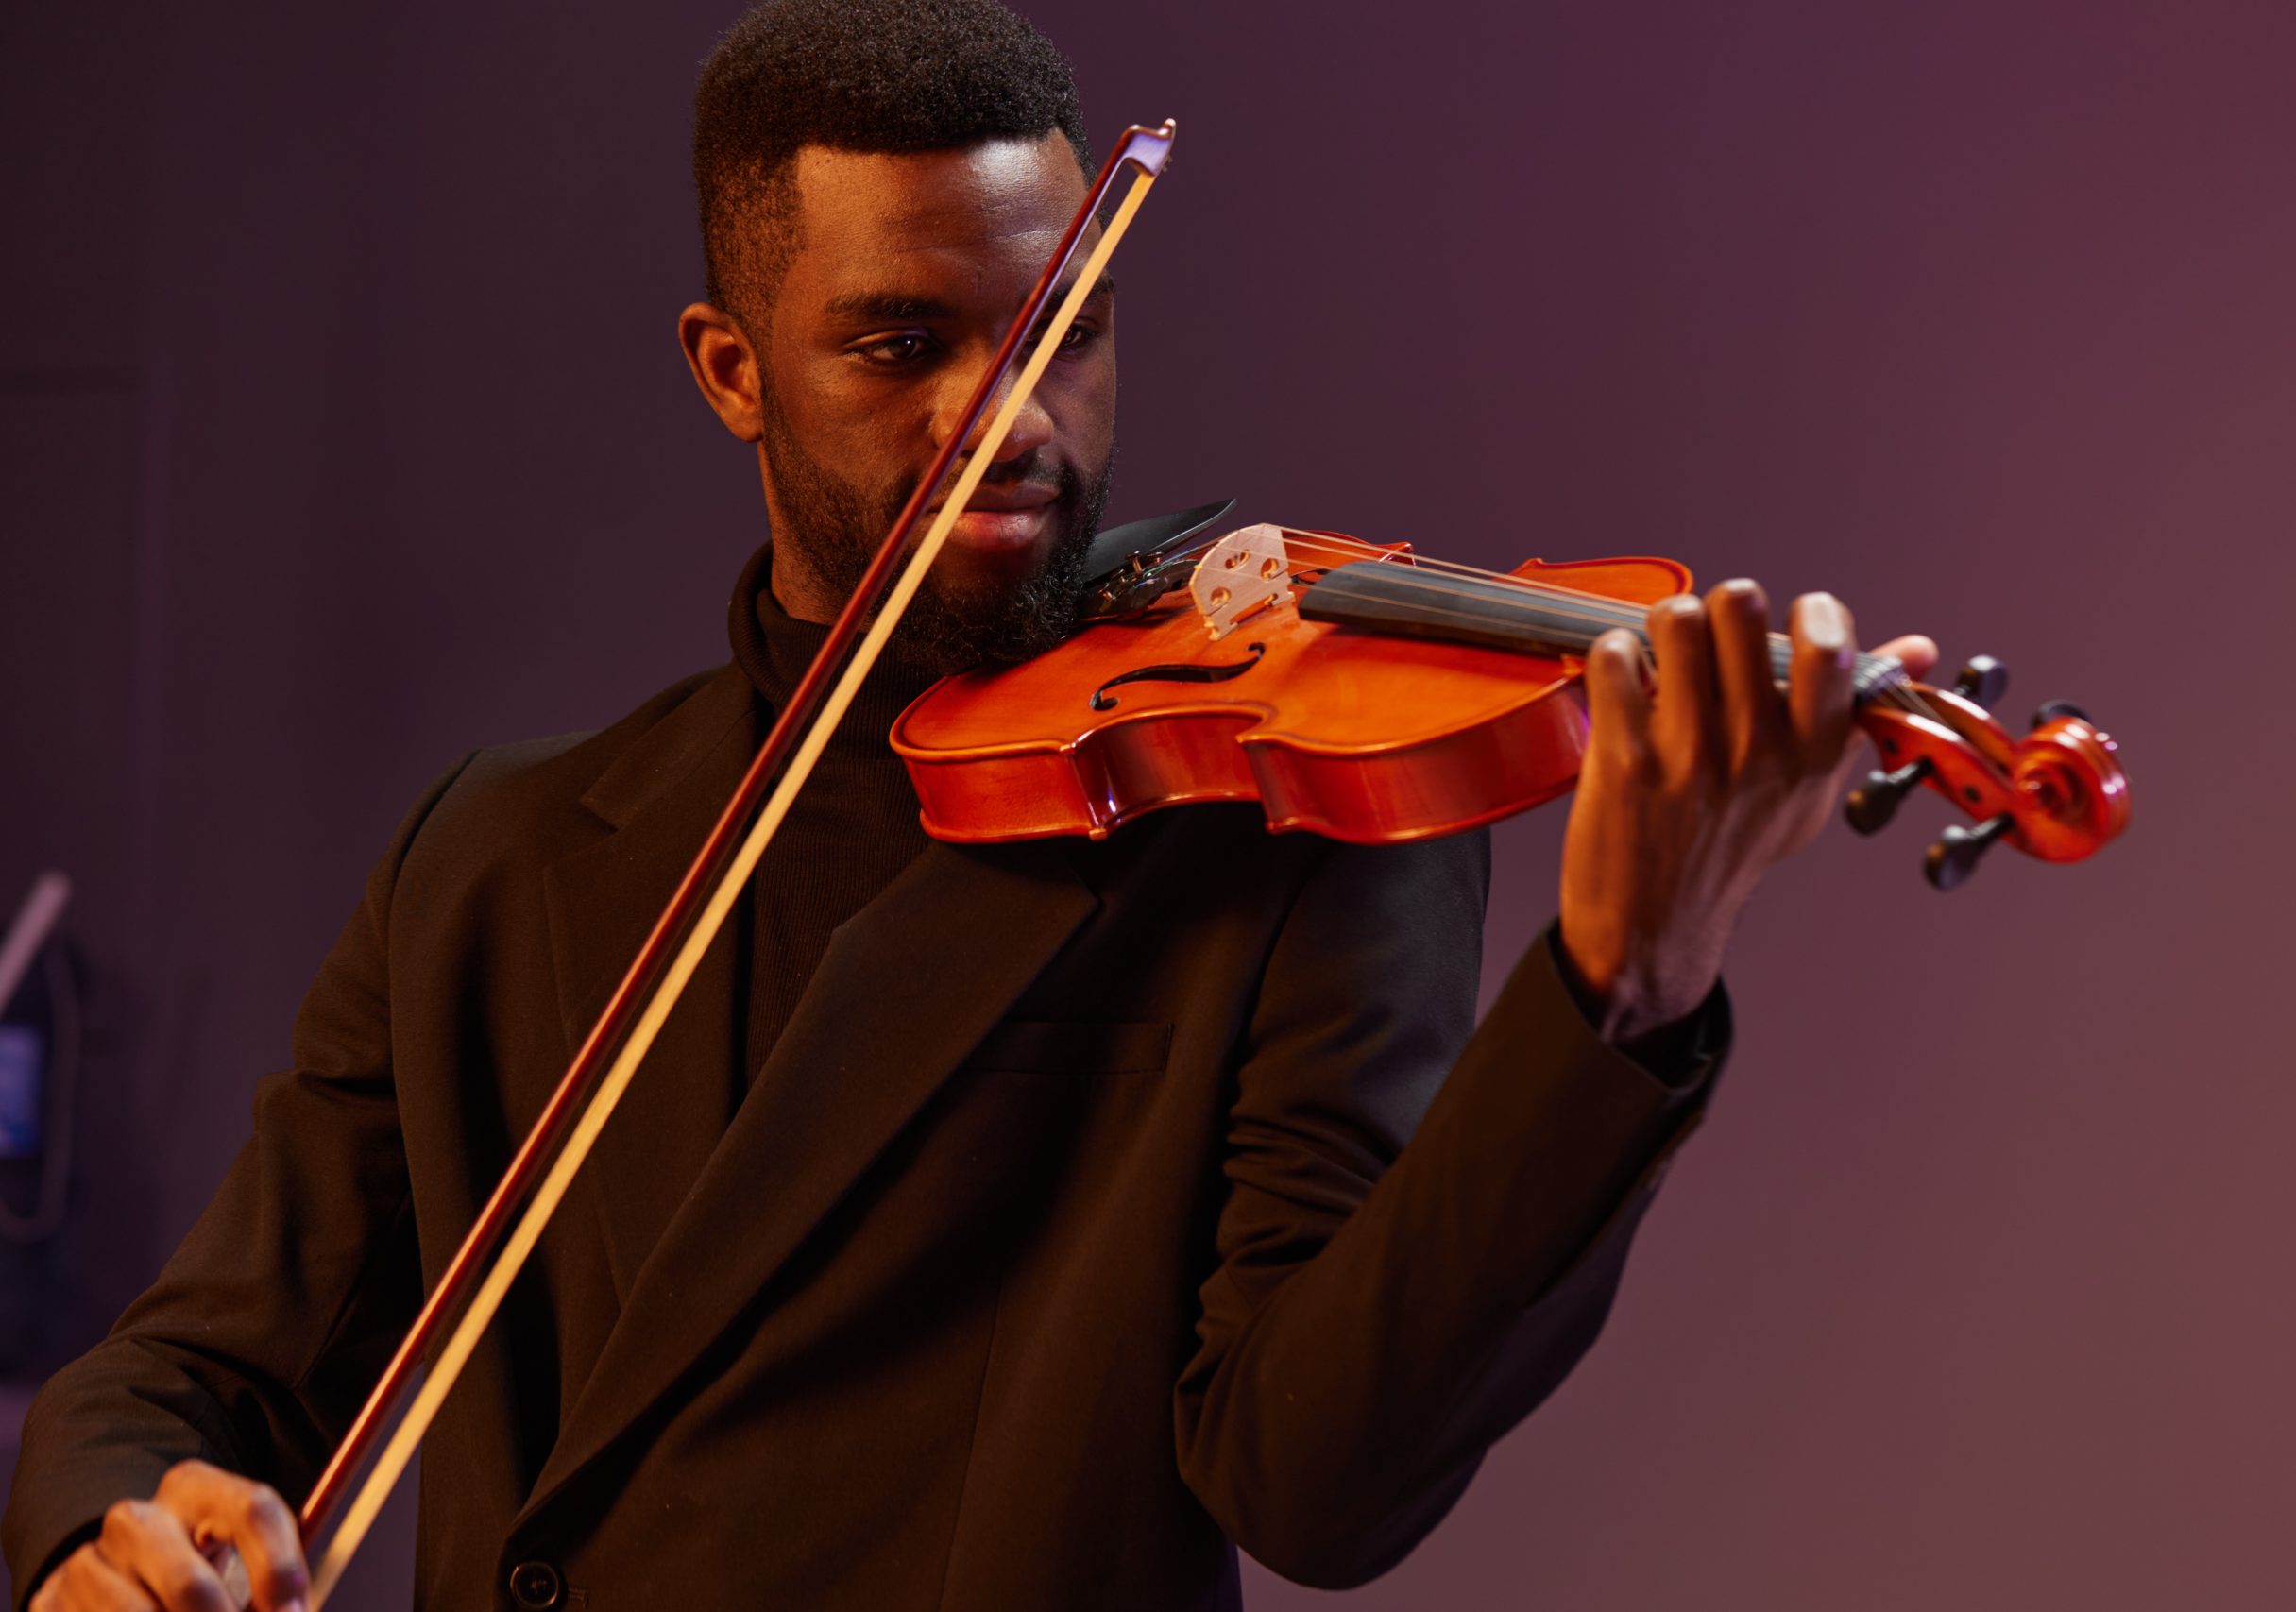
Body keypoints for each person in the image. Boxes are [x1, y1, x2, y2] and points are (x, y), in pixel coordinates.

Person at [4, 3, 1935, 1609]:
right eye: (900, 347)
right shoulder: (492, 856)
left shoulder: (1281, 820)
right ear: (730, 372)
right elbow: (190, 1367)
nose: (1004, 420)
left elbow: (1312, 1474)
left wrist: (1627, 973)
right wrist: (118, 1525)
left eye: (1061, 334)